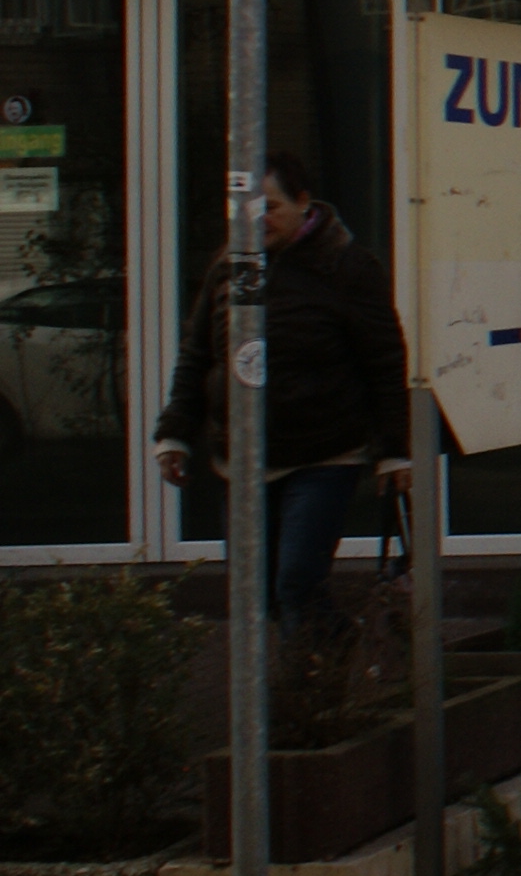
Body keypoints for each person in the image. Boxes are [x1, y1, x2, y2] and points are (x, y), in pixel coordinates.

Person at [154, 153, 412, 638]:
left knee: (297, 584)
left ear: (303, 203)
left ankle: (318, 676)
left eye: (270, 207)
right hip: (244, 461)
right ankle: (328, 663)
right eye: (246, 208)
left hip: (323, 457)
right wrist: (174, 434)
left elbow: (384, 360)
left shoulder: (345, 266)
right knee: (261, 592)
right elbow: (200, 355)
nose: (257, 219)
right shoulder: (234, 267)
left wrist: (394, 450)